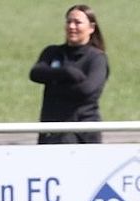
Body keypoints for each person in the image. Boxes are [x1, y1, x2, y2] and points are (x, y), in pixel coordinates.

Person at [29, 4, 108, 144]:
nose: (72, 26)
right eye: (69, 22)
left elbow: (86, 90)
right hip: (51, 130)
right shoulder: (52, 52)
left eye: (77, 22)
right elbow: (36, 73)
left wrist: (54, 84)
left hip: (83, 133)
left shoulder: (96, 58)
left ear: (91, 28)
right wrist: (66, 73)